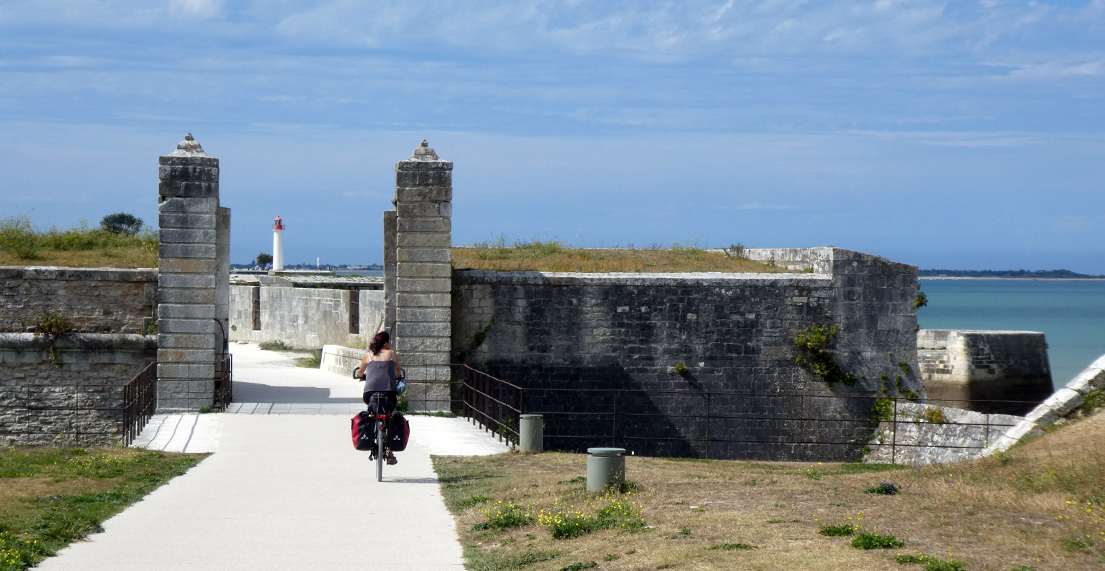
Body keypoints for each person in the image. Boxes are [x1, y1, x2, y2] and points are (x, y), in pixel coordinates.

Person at [357, 331, 401, 465]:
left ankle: (369, 438)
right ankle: (390, 454)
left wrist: (361, 377)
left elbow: (360, 372)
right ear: (386, 343)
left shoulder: (368, 356)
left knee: (372, 412)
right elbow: (398, 372)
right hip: (389, 394)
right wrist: (398, 377)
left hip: (370, 394)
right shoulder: (392, 354)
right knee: (390, 416)